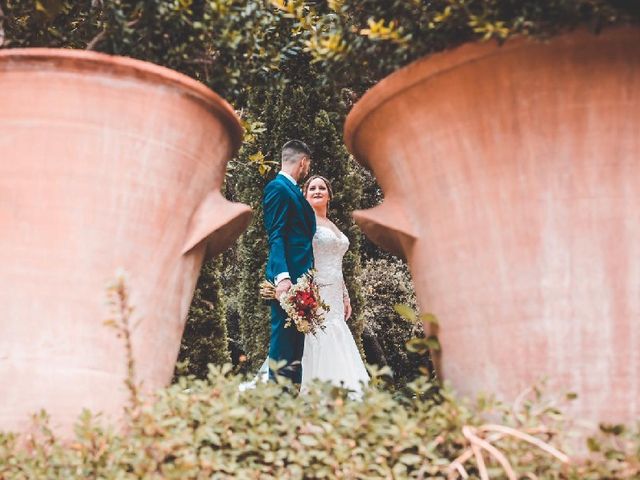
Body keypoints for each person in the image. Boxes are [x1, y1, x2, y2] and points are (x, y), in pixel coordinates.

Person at [301, 175, 369, 395]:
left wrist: (345, 295)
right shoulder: (305, 222)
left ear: (329, 195)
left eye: (322, 187)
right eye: (312, 188)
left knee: (337, 332)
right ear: (305, 194)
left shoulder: (331, 224)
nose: (317, 191)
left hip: (336, 294)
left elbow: (336, 264)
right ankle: (317, 391)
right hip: (317, 290)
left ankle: (343, 389)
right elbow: (301, 258)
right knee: (319, 335)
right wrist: (304, 290)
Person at [262, 140, 315, 384]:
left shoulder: (293, 189)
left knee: (296, 351)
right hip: (288, 284)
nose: (307, 170)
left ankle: (290, 407)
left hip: (303, 284)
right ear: (303, 162)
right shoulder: (278, 188)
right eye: (308, 165)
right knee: (283, 350)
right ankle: (275, 407)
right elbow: (276, 235)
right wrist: (282, 278)